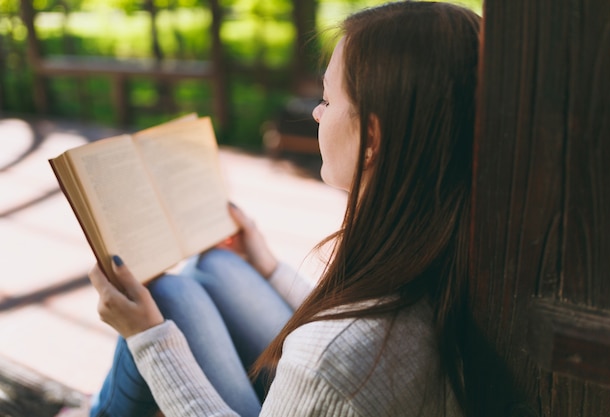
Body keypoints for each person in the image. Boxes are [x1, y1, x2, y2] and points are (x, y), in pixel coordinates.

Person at [86, 2, 481, 416]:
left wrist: (148, 338)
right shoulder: (441, 248)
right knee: (216, 265)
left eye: (327, 100)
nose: (316, 112)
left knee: (164, 296)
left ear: (371, 138)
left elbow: (333, 353)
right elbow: (350, 323)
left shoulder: (327, 360)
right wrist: (269, 266)